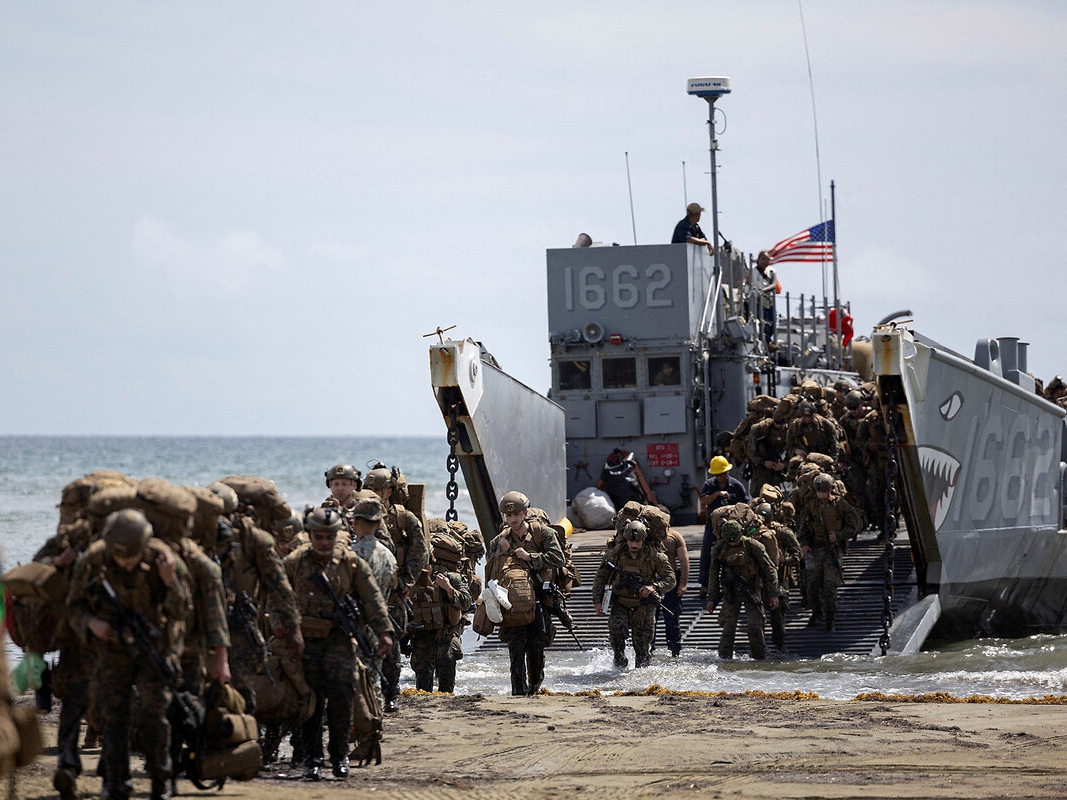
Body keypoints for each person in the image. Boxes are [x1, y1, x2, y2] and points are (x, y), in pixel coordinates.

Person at [67, 509, 192, 800]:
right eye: (120, 556)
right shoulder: (94, 559)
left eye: (131, 557)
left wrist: (170, 581)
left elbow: (183, 609)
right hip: (112, 649)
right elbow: (73, 606)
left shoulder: (162, 557)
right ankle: (115, 782)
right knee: (113, 716)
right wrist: (91, 623)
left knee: (154, 714)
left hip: (153, 649)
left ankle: (161, 781)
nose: (125, 562)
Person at [285, 506, 394, 781]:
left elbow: (372, 599)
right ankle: (311, 758)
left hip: (338, 641)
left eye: (329, 537)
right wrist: (287, 631)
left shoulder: (350, 562)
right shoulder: (295, 562)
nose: (324, 543)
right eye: (318, 537)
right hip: (305, 641)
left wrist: (385, 632)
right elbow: (278, 598)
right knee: (309, 701)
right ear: (310, 535)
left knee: (342, 697)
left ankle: (339, 755)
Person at [484, 491, 564, 696]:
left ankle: (535, 686)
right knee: (516, 647)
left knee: (536, 647)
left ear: (525, 513)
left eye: (517, 515)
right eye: (509, 516)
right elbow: (489, 566)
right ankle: (518, 691)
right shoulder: (501, 538)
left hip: (539, 599)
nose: (513, 519)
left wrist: (531, 557)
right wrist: (499, 551)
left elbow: (558, 558)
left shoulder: (543, 533)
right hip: (513, 601)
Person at [363, 466, 429, 712]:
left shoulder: (402, 517)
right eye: (369, 489)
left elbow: (419, 550)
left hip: (394, 589)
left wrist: (407, 582)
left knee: (392, 642)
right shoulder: (357, 515)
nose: (373, 493)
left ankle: (391, 693)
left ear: (389, 491)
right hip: (364, 587)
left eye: (377, 489)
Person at [592, 520, 676, 668]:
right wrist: (598, 602)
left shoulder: (655, 556)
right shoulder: (615, 554)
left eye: (637, 541)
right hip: (620, 602)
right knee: (616, 633)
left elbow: (671, 579)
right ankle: (619, 664)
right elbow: (600, 578)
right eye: (631, 540)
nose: (634, 545)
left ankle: (641, 681)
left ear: (643, 540)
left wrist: (654, 587)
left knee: (642, 649)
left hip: (644, 605)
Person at [408, 520, 473, 693]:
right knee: (422, 682)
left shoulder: (450, 577)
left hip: (446, 633)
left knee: (447, 668)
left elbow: (467, 602)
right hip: (422, 636)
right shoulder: (411, 581)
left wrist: (449, 589)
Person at [347, 495, 398, 706]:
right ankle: (374, 720)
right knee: (374, 678)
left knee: (353, 680)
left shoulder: (351, 555)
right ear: (378, 524)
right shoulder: (388, 555)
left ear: (355, 522)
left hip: (355, 624)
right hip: (380, 624)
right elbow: (393, 585)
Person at [796, 473, 862, 631]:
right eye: (819, 492)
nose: (822, 495)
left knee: (829, 587)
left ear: (831, 490)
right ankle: (817, 612)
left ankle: (830, 618)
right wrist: (804, 544)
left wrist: (839, 535)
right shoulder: (811, 506)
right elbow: (802, 528)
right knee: (812, 585)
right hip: (815, 549)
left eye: (825, 492)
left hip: (832, 550)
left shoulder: (841, 505)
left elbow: (854, 525)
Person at [706, 519, 779, 660]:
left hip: (752, 590)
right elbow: (713, 574)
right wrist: (711, 598)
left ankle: (759, 658)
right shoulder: (719, 549)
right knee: (728, 627)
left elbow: (769, 569)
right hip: (731, 592)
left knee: (755, 627)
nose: (733, 543)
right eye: (730, 541)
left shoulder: (753, 546)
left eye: (735, 541)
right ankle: (724, 659)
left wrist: (773, 594)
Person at [697, 455, 750, 595]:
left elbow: (745, 505)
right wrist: (717, 494)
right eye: (717, 475)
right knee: (708, 553)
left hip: (733, 527)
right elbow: (704, 501)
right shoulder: (709, 485)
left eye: (722, 474)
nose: (720, 477)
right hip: (713, 526)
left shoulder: (736, 485)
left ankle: (733, 582)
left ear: (727, 472)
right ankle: (705, 584)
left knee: (734, 552)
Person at [660, 522, 690, 657]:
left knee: (671, 616)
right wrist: (683, 584)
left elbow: (684, 562)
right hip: (656, 579)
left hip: (669, 579)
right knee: (667, 617)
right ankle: (673, 650)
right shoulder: (673, 536)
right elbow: (684, 561)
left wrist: (683, 584)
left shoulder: (674, 536)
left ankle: (674, 649)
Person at [749, 250, 779, 344]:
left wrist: (763, 291)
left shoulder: (771, 271)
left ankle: (768, 341)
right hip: (756, 301)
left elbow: (774, 284)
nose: (765, 261)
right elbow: (746, 280)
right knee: (761, 322)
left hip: (767, 301)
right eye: (763, 259)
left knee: (771, 323)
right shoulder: (752, 271)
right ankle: (765, 342)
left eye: (767, 259)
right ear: (758, 260)